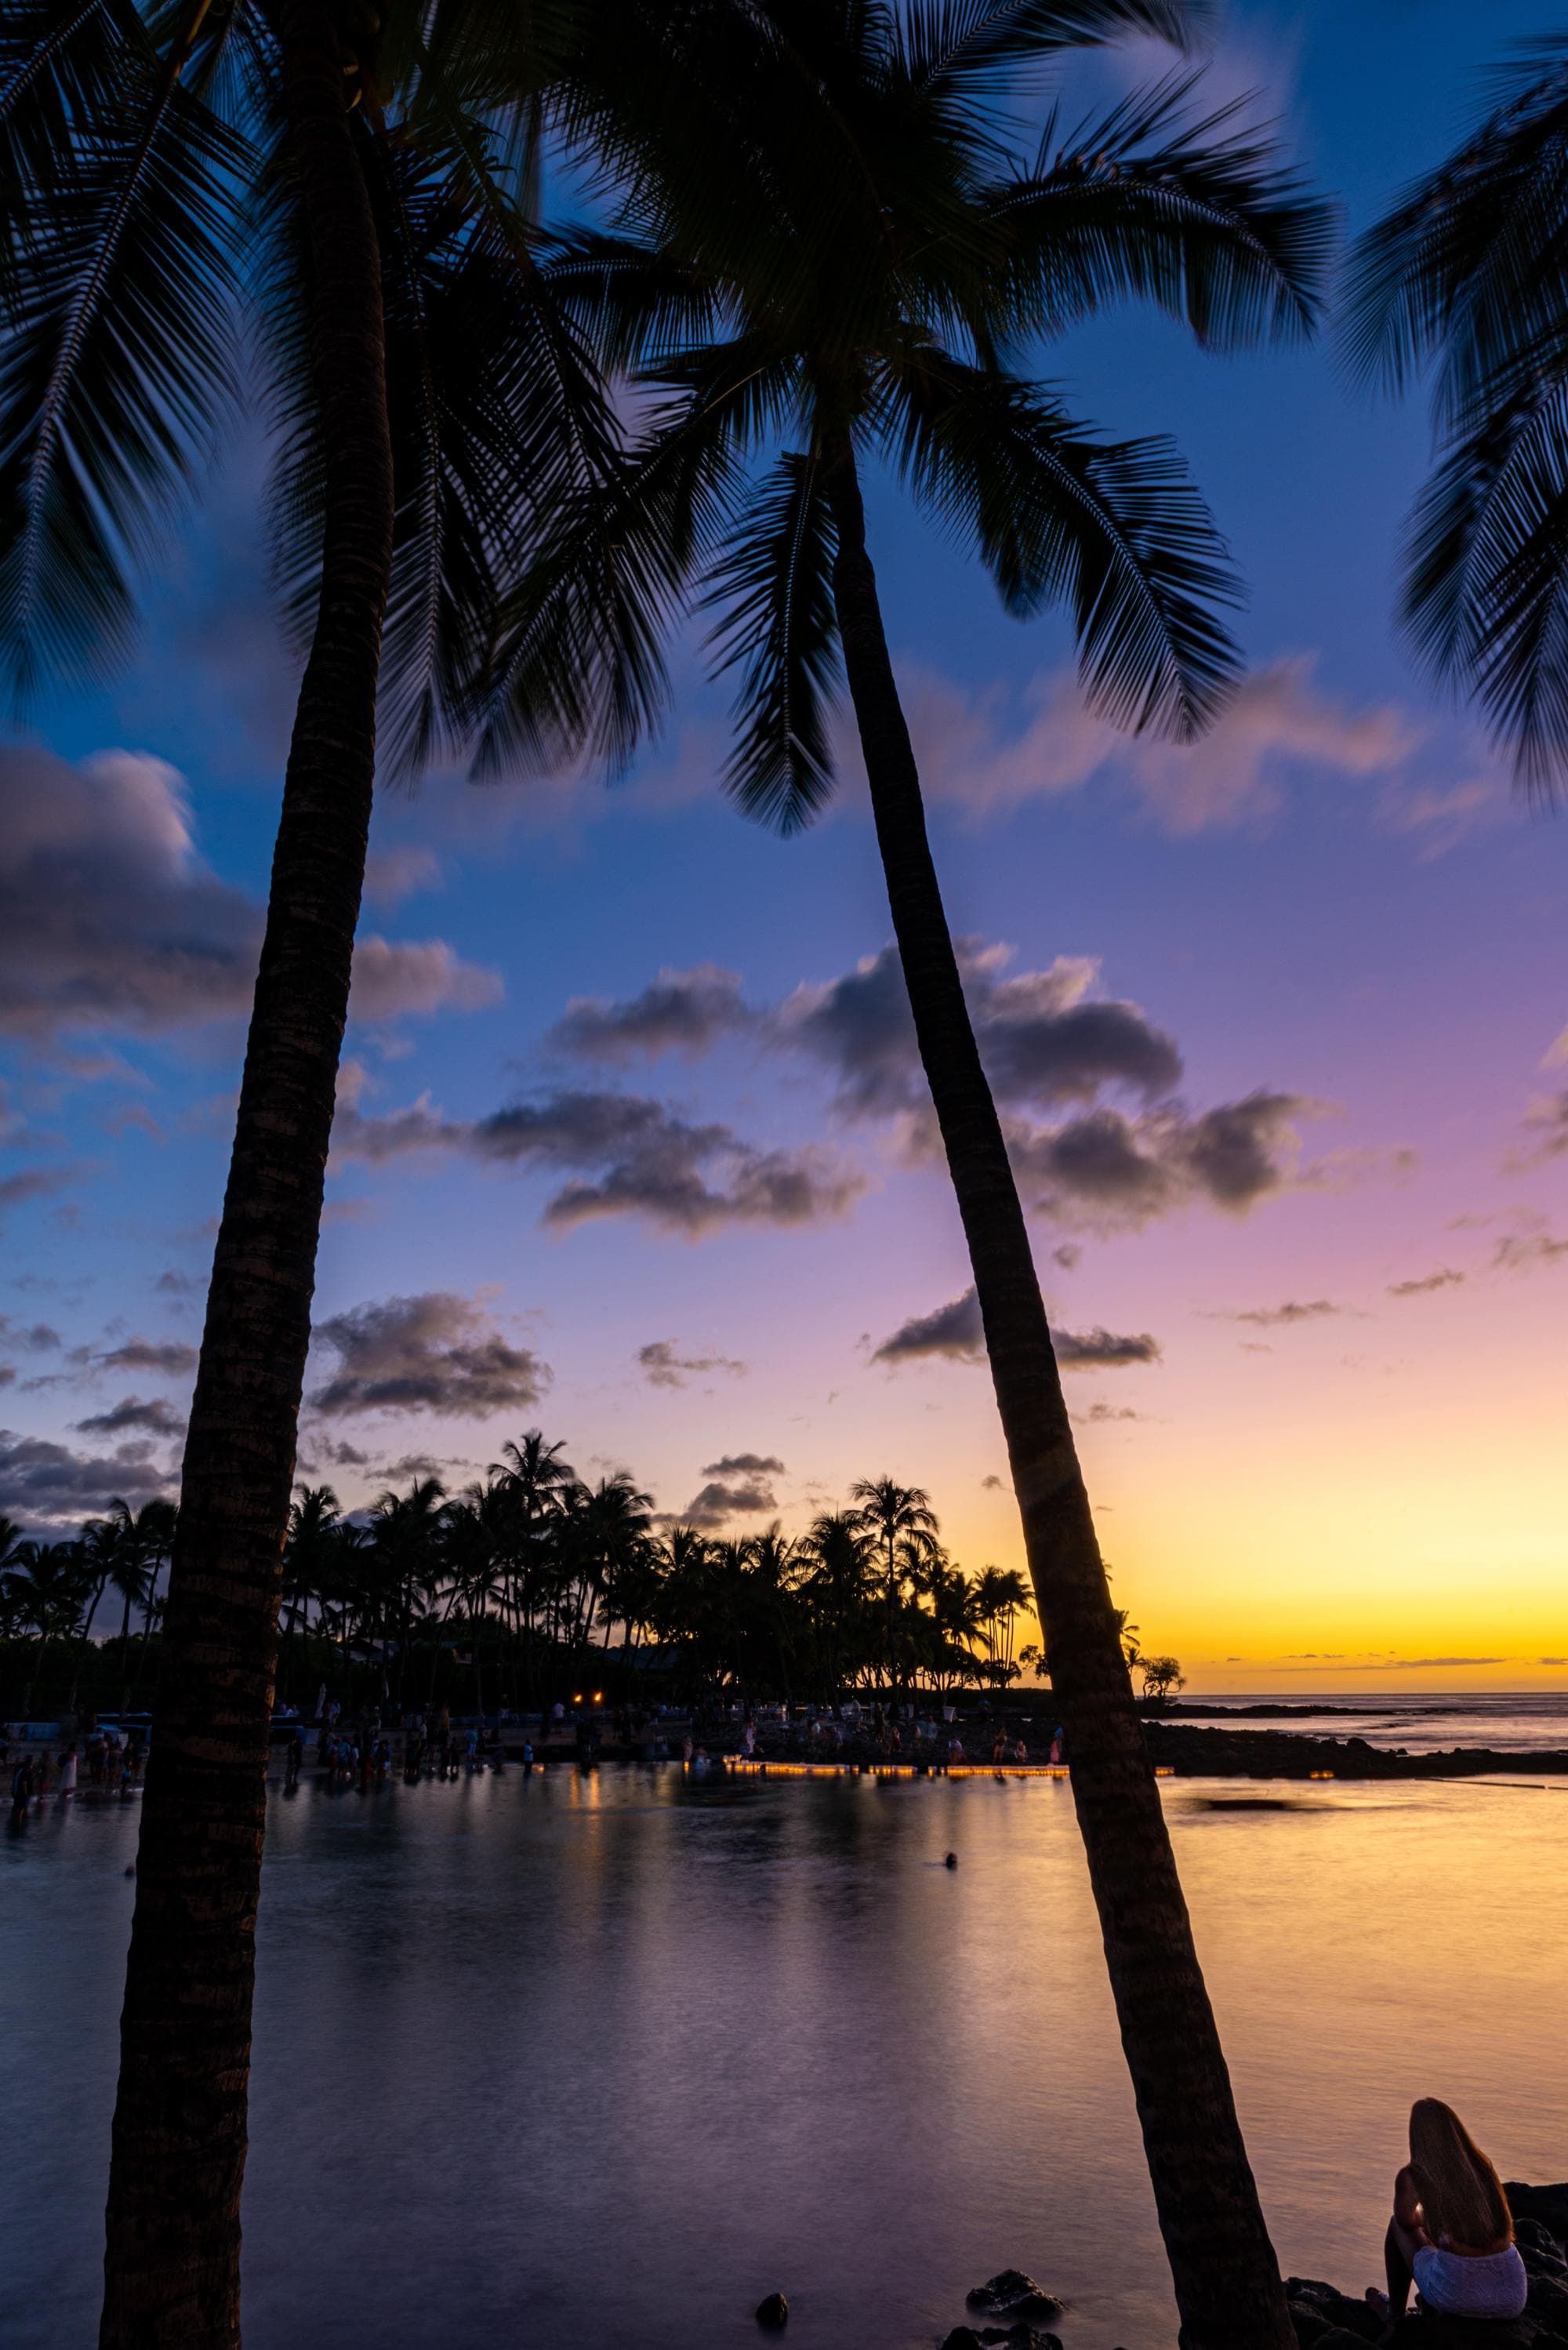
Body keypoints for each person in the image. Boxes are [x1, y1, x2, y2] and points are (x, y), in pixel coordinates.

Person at [1366, 2098, 1527, 2332]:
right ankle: (1430, 2310)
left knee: (1398, 2227)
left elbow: (1406, 2221)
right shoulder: (1481, 2168)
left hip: (1459, 2295)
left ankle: (1396, 2316)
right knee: (1444, 2241)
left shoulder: (1413, 2176)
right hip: (1511, 2296)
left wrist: (1425, 2217)